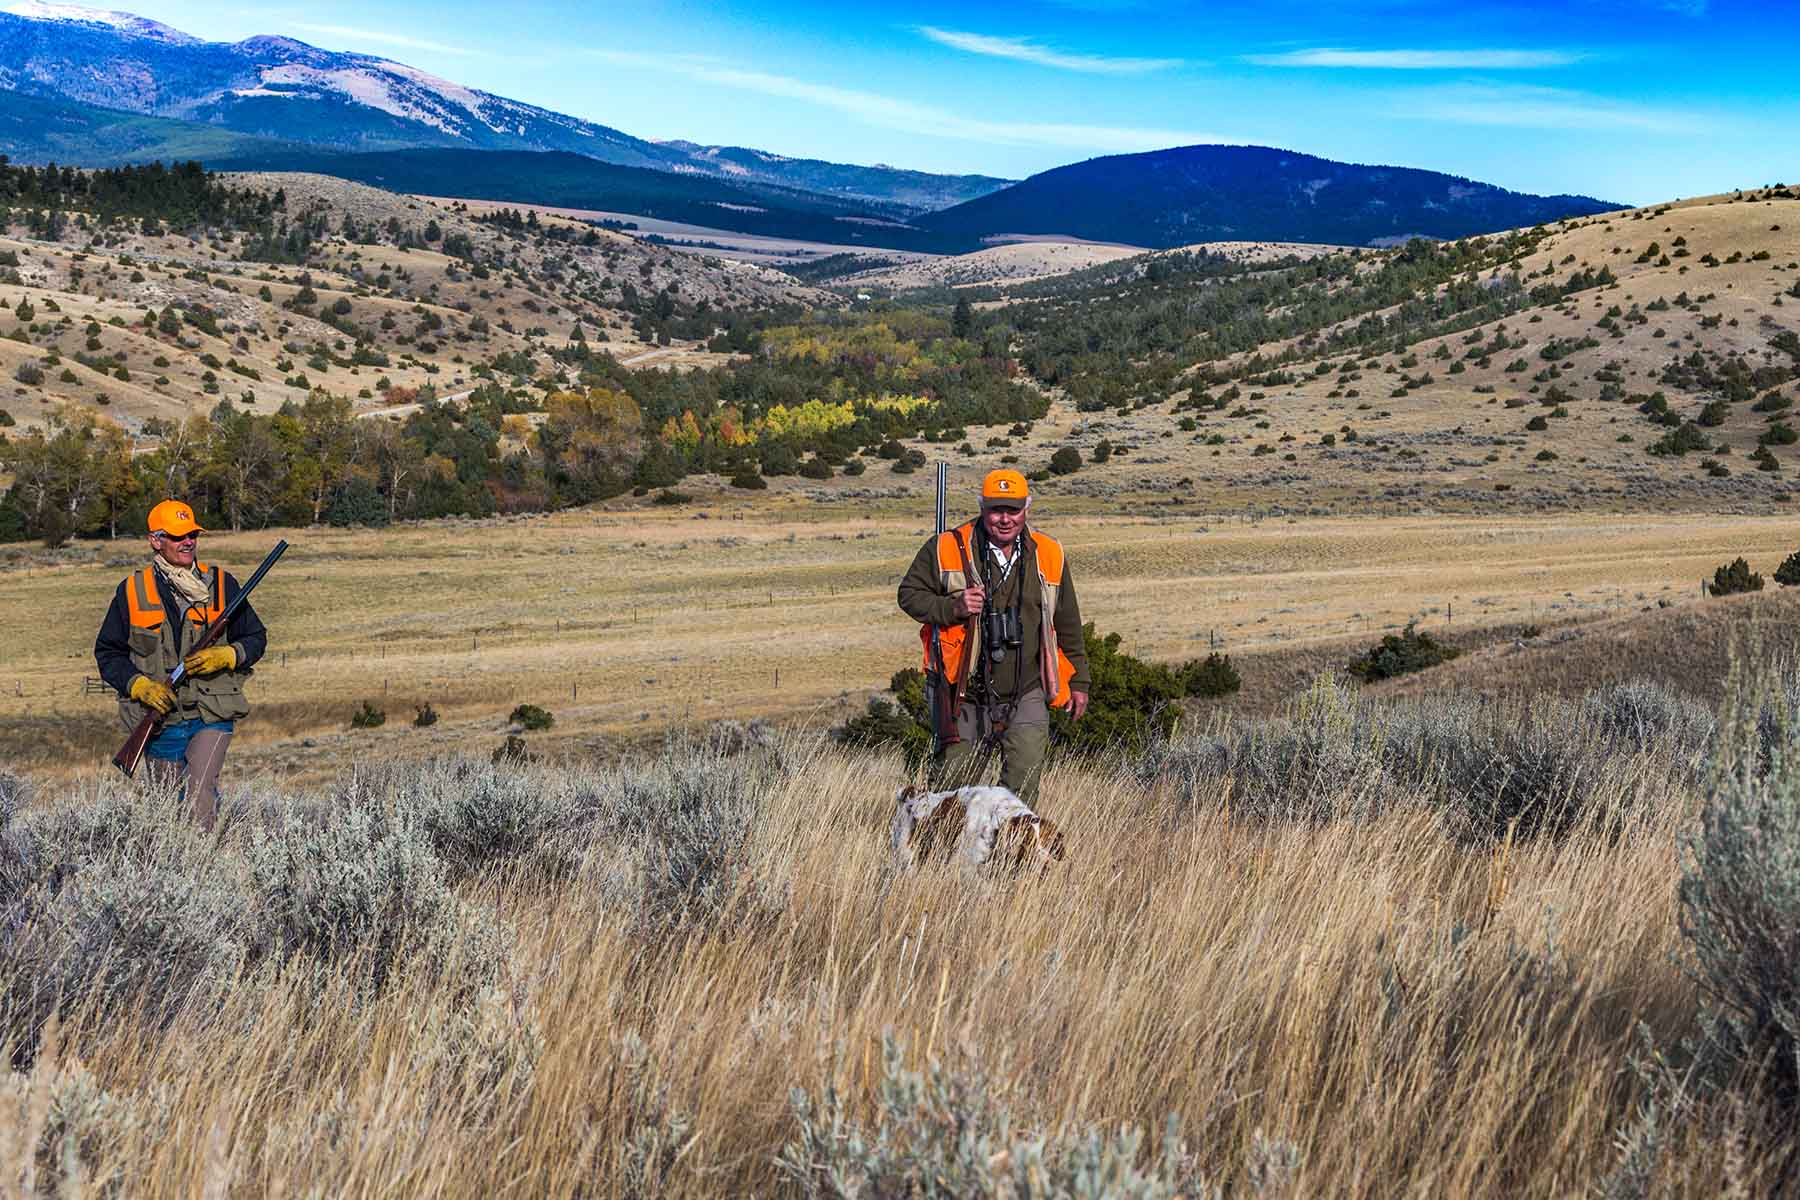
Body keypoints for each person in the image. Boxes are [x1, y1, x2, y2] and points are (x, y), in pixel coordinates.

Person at [898, 468, 1089, 806]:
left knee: (1022, 794)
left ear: (1027, 508)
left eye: (1013, 510)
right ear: (981, 506)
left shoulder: (1049, 552)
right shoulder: (947, 547)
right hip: (963, 692)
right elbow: (909, 594)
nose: (1005, 519)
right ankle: (946, 856)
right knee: (951, 794)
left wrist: (1079, 682)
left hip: (1028, 688)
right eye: (995, 509)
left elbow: (1068, 622)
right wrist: (952, 607)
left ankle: (1010, 858)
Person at [94, 499, 268, 831]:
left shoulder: (222, 585)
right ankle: (172, 870)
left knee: (199, 795)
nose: (188, 541)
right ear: (155, 540)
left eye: (192, 534)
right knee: (164, 810)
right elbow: (108, 653)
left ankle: (203, 869)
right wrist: (139, 686)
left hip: (211, 714)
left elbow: (256, 638)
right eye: (177, 536)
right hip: (161, 719)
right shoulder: (132, 591)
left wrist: (227, 655)